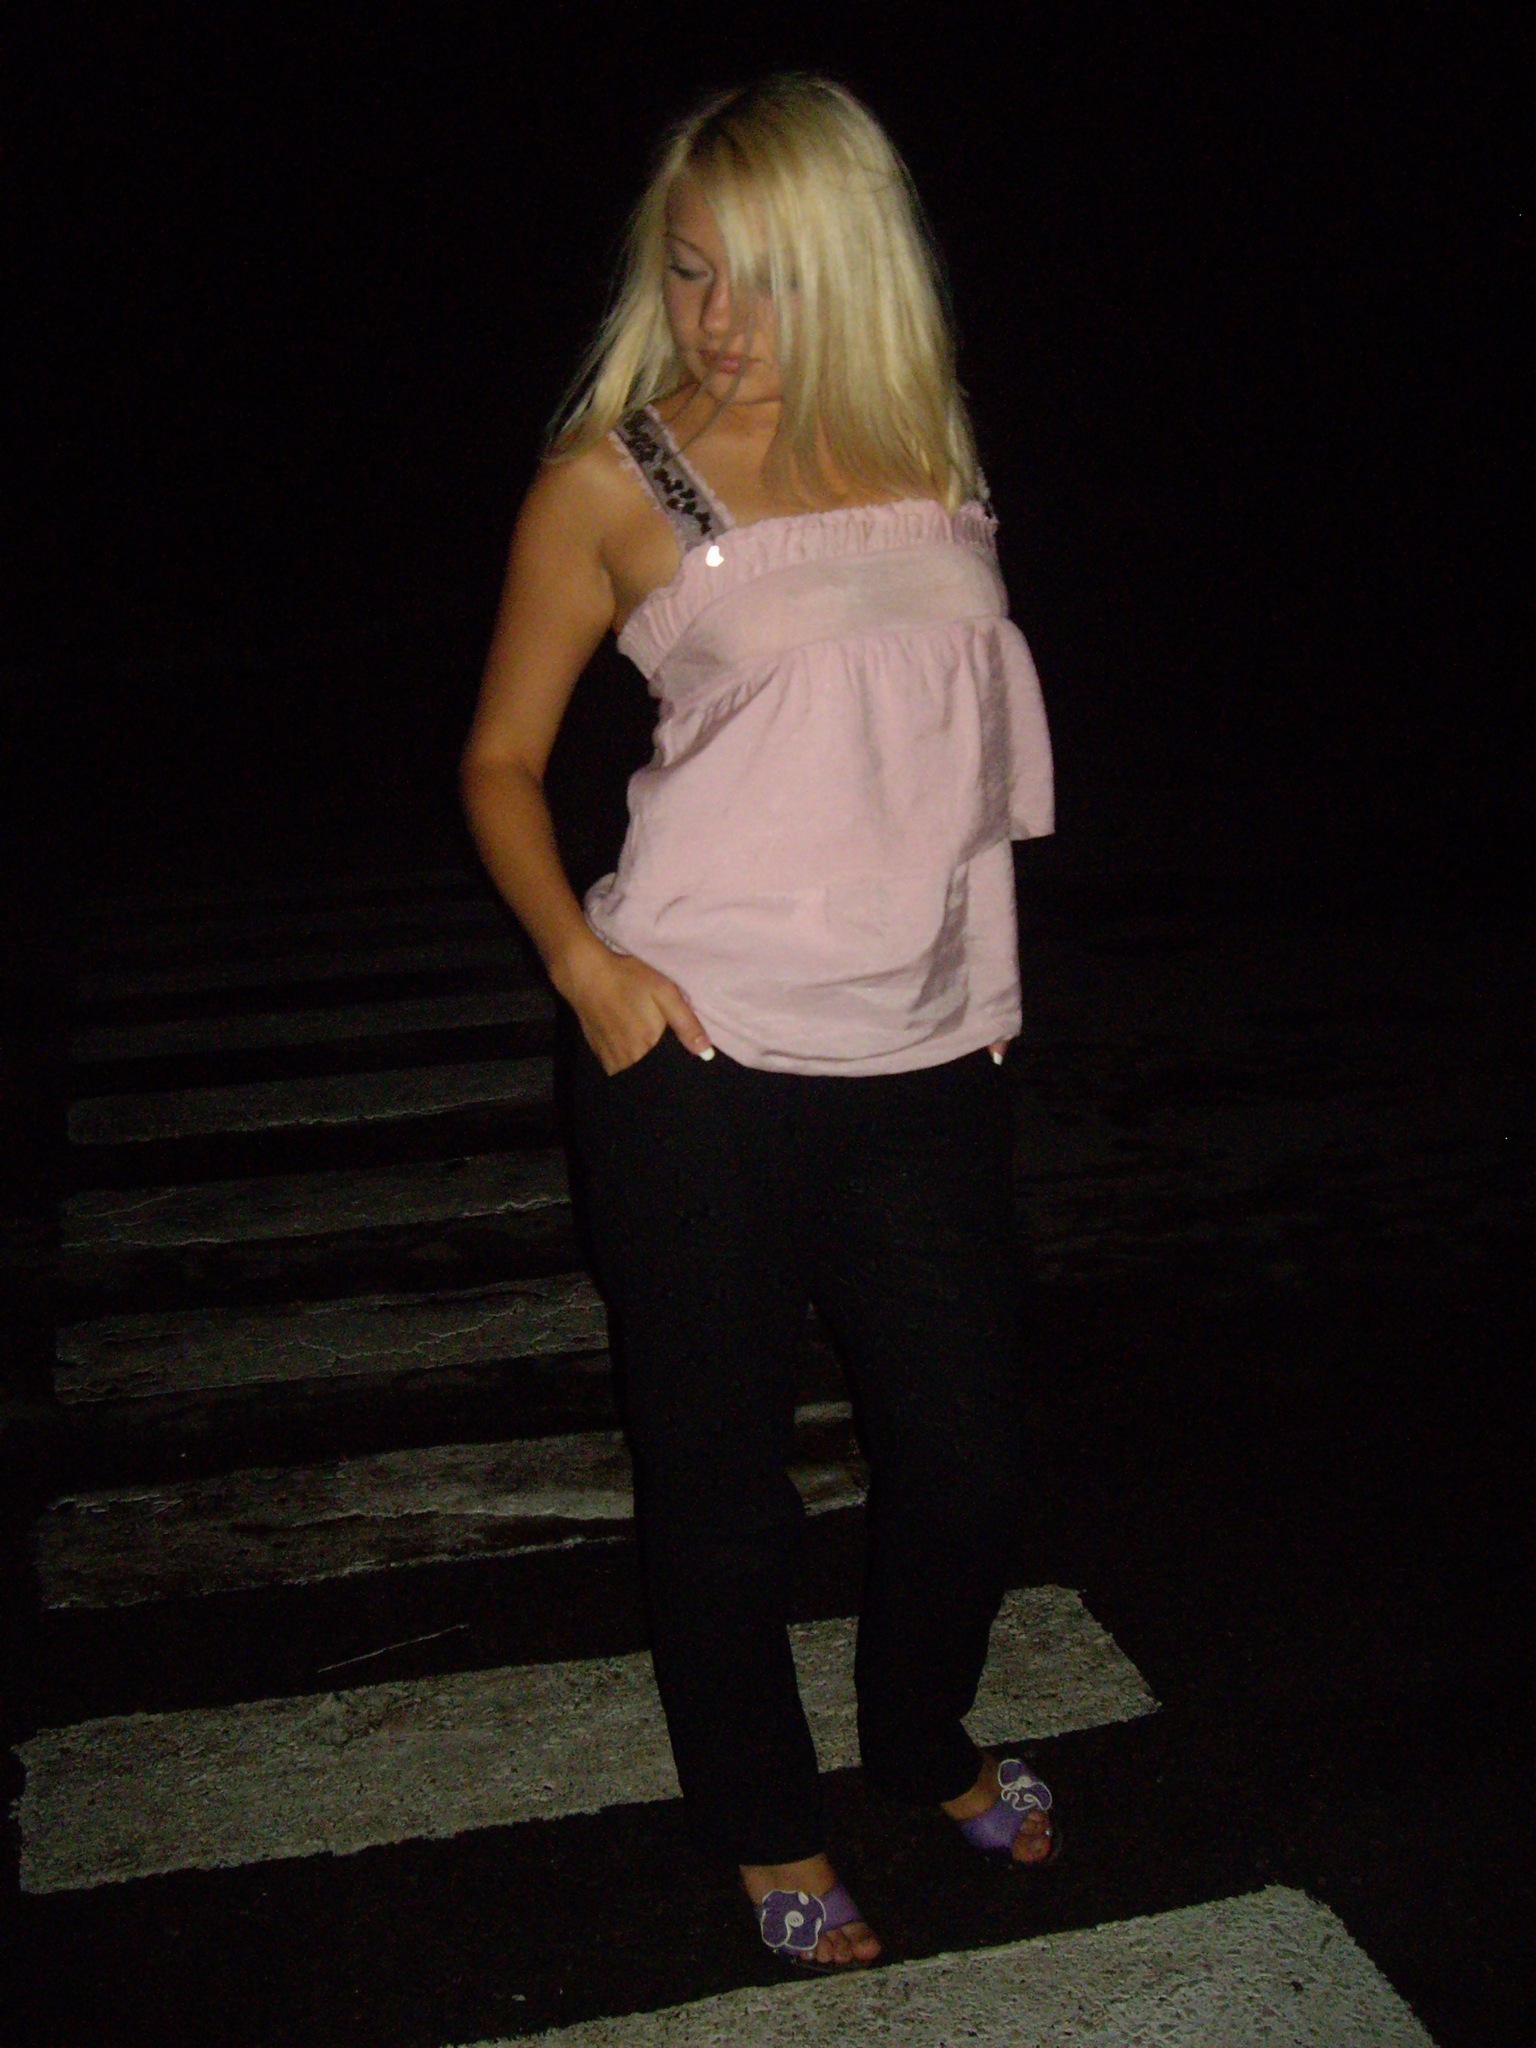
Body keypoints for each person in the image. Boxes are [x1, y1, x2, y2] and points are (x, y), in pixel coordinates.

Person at [462, 73, 1056, 1972]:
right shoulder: (615, 483)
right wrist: (586, 968)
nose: (718, 318)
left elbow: (956, 757)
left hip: (925, 1059)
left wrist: (982, 996)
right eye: (690, 269)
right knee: (720, 1484)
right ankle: (761, 1821)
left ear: (854, 266)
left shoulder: (929, 446)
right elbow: (498, 763)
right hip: (697, 1062)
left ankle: (918, 1735)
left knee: (966, 1458)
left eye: (768, 275)